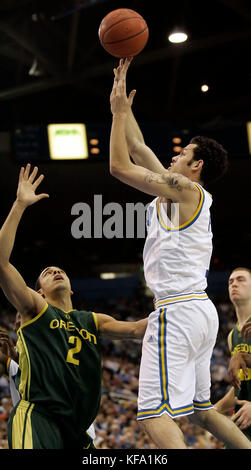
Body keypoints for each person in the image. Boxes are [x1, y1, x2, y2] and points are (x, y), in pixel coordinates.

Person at [109, 57, 251, 449]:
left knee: (154, 416)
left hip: (178, 311)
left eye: (181, 153)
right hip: (199, 311)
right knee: (201, 410)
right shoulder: (178, 192)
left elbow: (119, 166)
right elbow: (137, 148)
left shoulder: (185, 190)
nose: (172, 157)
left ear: (197, 165)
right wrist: (122, 105)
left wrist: (119, 115)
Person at [0, 164, 147, 449]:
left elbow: (139, 329)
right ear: (38, 292)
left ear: (72, 286)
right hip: (40, 415)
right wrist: (19, 205)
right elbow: (2, 263)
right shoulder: (35, 309)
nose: (56, 271)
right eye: (47, 272)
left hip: (76, 427)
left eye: (60, 270)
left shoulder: (91, 319)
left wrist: (179, 301)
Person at [215, 267, 251, 438]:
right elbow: (239, 388)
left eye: (241, 279)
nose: (234, 284)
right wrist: (212, 410)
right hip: (242, 422)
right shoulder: (232, 336)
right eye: (230, 282)